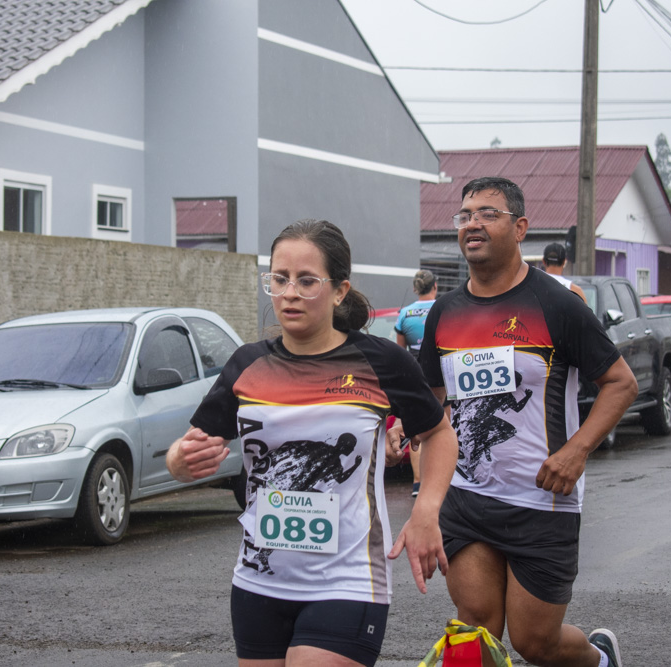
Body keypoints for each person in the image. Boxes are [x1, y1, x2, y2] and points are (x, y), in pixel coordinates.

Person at [166, 219, 458, 667]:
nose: (289, 293)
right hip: (259, 580)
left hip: (348, 577)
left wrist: (426, 510)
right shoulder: (248, 365)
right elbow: (186, 449)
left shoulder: (379, 361)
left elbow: (438, 432)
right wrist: (180, 462)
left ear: (339, 290)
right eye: (279, 279)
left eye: (307, 281)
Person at [418, 178, 637, 667]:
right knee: (474, 629)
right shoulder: (444, 313)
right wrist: (405, 431)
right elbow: (433, 403)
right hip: (468, 497)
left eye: (487, 213)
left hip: (543, 502)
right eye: (465, 214)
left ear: (520, 228)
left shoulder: (557, 305)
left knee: (535, 643)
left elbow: (621, 383)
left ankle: (601, 659)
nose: (472, 222)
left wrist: (576, 450)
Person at [394, 269, 438, 497]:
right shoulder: (443, 307)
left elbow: (400, 352)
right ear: (435, 287)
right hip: (440, 370)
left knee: (416, 428)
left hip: (415, 371)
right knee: (443, 426)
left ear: (415, 288)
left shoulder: (405, 313)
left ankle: (418, 483)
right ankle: (443, 480)